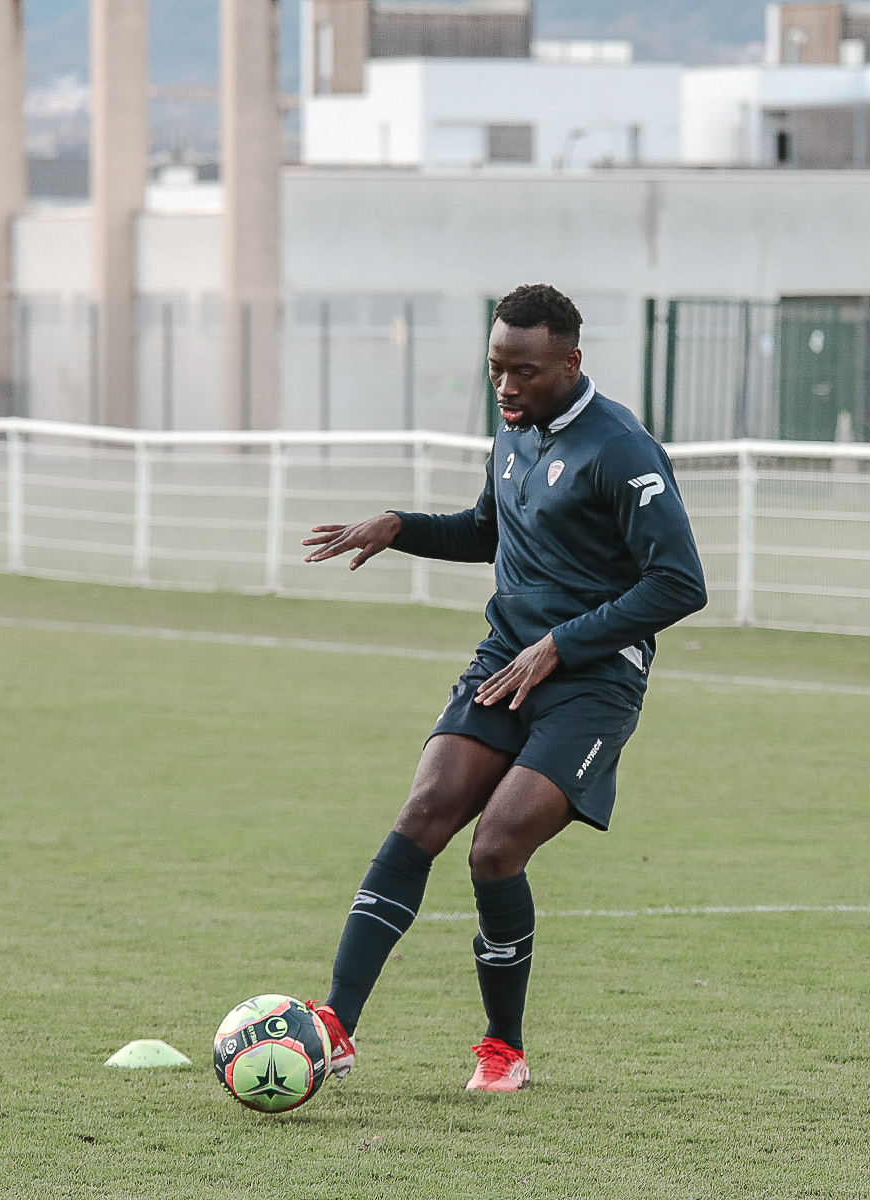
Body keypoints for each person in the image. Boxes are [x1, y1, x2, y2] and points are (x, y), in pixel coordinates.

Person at [301, 283, 708, 1091]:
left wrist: (562, 644)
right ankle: (336, 1027)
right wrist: (401, 526)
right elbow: (490, 530)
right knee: (423, 813)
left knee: (496, 849)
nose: (507, 387)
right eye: (496, 369)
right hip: (504, 660)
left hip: (592, 682)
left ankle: (502, 1051)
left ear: (570, 362)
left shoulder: (621, 448)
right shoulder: (513, 431)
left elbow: (680, 583)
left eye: (524, 371)